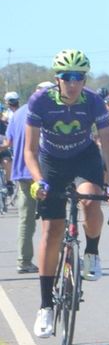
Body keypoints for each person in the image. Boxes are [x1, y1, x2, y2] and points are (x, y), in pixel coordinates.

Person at [22, 51, 109, 337]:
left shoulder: (93, 101)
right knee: (52, 231)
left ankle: (91, 252)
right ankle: (45, 307)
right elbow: (28, 150)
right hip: (51, 163)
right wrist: (38, 180)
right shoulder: (40, 101)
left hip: (83, 158)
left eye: (78, 77)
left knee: (91, 200)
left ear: (84, 79)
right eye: (67, 77)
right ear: (57, 79)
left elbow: (107, 146)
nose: (72, 82)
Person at [7, 87, 40, 273]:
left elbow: (9, 142)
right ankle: (62, 256)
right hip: (43, 172)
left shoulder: (18, 113)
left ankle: (24, 260)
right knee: (55, 216)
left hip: (22, 171)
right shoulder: (47, 111)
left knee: (26, 219)